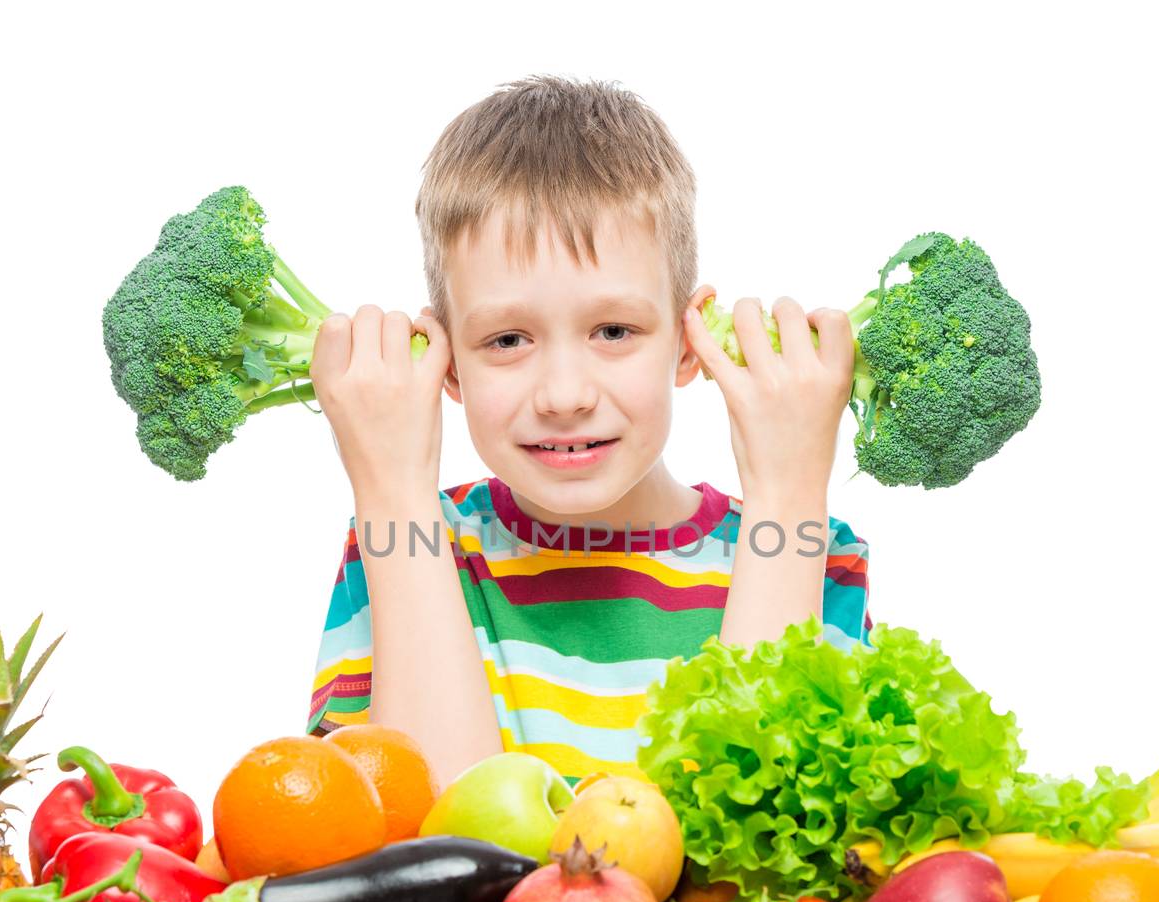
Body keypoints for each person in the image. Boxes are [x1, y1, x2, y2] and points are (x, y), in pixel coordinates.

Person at [307, 75, 870, 788]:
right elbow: (424, 854)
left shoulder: (812, 556)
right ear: (447, 361)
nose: (564, 396)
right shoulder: (402, 544)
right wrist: (390, 490)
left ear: (689, 340)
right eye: (508, 340)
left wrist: (789, 495)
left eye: (613, 330)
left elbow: (775, 865)